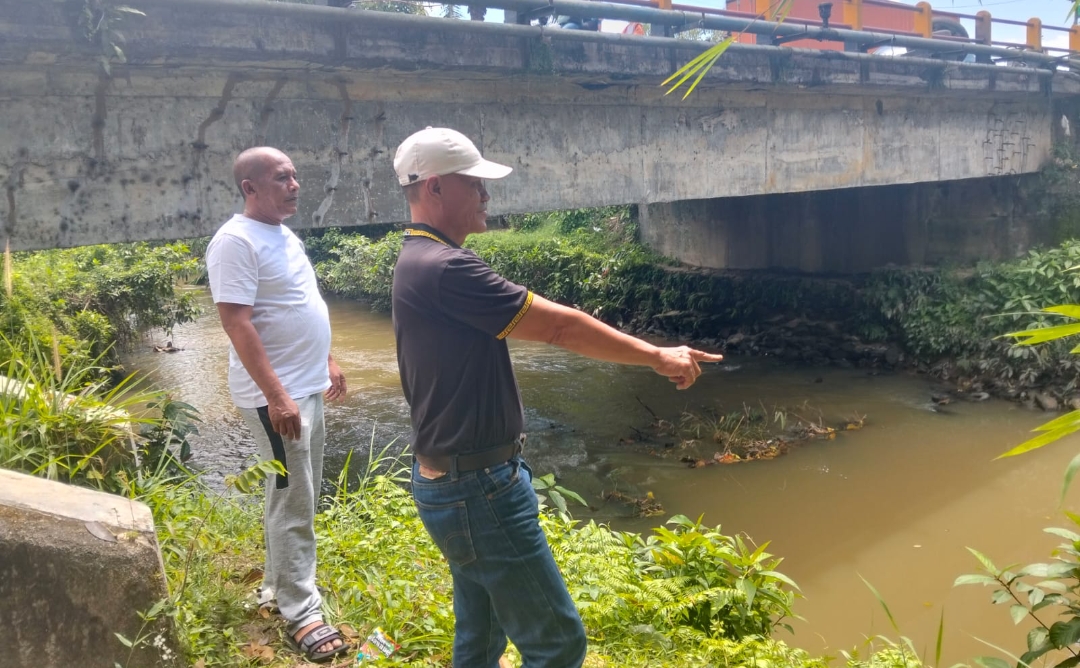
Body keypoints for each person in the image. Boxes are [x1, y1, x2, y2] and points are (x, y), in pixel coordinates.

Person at [391, 127, 723, 667]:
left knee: (481, 635)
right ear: (434, 187)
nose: (486, 194)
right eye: (474, 183)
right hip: (477, 490)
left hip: (456, 482)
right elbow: (559, 328)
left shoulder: (418, 259)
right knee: (558, 645)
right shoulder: (448, 268)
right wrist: (657, 356)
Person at [205, 147, 351, 664]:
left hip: (306, 385)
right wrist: (276, 396)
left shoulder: (285, 235)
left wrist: (327, 359)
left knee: (298, 491)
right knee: (294, 499)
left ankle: (278, 583)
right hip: (277, 397)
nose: (295, 185)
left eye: (295, 176)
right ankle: (301, 610)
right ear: (250, 188)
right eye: (282, 177)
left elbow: (301, 300)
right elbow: (236, 322)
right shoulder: (234, 241)